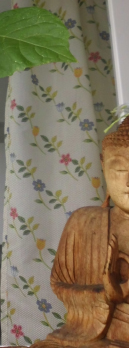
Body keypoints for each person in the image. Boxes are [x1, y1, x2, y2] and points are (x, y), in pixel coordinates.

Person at [33, 116, 129, 348]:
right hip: (94, 336)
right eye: (120, 168)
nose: (128, 181)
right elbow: (59, 284)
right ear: (103, 166)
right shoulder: (83, 222)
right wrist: (106, 293)